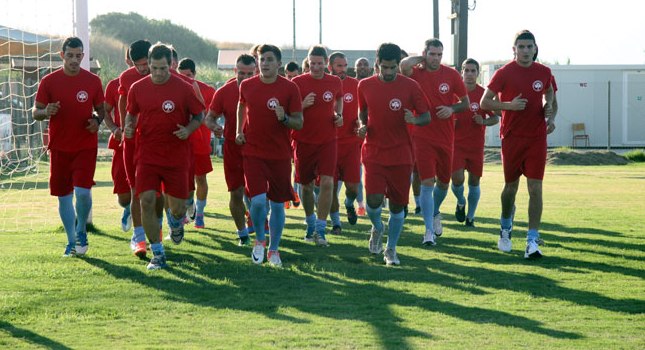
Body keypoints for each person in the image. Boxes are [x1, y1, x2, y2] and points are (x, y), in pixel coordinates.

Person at [124, 43, 205, 270]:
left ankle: (177, 222)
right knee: (146, 201)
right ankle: (158, 254)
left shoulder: (184, 87)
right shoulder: (137, 88)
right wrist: (129, 127)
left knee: (177, 208)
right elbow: (131, 114)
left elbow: (199, 114)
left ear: (171, 65)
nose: (158, 73)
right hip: (147, 154)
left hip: (176, 156)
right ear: (148, 64)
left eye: (163, 68)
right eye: (154, 68)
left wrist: (188, 130)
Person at [480, 30, 555, 259]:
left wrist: (549, 113)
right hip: (512, 138)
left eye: (529, 47)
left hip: (536, 138)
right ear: (514, 50)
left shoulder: (544, 72)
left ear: (535, 48)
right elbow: (485, 102)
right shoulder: (505, 73)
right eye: (520, 47)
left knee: (535, 188)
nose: (525, 51)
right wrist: (510, 106)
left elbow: (550, 94)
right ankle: (505, 226)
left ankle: (532, 240)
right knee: (510, 189)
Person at [357, 42, 431, 265]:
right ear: (377, 63)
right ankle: (378, 227)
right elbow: (363, 111)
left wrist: (414, 119)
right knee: (373, 201)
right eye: (384, 67)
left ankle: (391, 249)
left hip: (401, 155)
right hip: (373, 152)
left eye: (392, 68)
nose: (388, 72)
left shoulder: (410, 86)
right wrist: (363, 125)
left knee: (398, 206)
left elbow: (426, 116)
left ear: (398, 65)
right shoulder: (364, 85)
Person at [32, 37, 106, 257]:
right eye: (70, 55)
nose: (75, 60)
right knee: (64, 196)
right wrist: (47, 112)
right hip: (60, 148)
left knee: (83, 193)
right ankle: (71, 241)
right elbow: (36, 112)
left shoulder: (93, 81)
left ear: (83, 56)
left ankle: (81, 229)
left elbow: (101, 110)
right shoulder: (49, 81)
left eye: (78, 55)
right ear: (62, 55)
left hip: (85, 146)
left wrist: (97, 121)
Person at [236, 44, 303, 267]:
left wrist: (284, 118)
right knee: (256, 202)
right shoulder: (246, 85)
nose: (264, 63)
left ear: (279, 64)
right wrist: (239, 130)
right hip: (253, 152)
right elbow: (241, 106)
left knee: (276, 204)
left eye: (269, 59)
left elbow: (299, 122)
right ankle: (260, 240)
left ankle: (274, 250)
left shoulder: (290, 88)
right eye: (261, 59)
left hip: (280, 154)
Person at [400, 38, 469, 246]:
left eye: (439, 54)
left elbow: (465, 103)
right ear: (425, 53)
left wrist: (451, 109)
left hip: (446, 137)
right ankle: (428, 231)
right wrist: (421, 58)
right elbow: (403, 66)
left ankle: (434, 212)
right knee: (427, 183)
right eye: (432, 54)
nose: (436, 58)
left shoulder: (451, 74)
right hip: (421, 135)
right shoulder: (417, 73)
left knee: (444, 183)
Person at [292, 45, 344, 246]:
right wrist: (302, 105)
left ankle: (321, 230)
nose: (316, 67)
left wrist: (339, 115)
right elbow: (290, 110)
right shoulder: (297, 82)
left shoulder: (334, 81)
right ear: (308, 62)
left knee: (328, 183)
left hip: (328, 140)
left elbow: (339, 100)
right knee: (305, 186)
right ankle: (310, 223)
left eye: (320, 63)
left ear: (326, 63)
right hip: (303, 140)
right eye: (312, 63)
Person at [205, 53, 257, 246]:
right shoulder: (224, 92)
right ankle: (242, 233)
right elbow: (209, 118)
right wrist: (215, 127)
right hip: (233, 148)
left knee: (259, 193)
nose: (245, 77)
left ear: (256, 71)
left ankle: (260, 226)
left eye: (249, 73)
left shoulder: (264, 88)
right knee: (236, 192)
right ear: (235, 71)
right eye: (241, 73)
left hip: (259, 149)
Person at [450, 58, 499, 227]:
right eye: (467, 70)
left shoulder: (483, 94)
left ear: (478, 74)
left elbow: (495, 118)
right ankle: (461, 201)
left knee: (474, 182)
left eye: (473, 71)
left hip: (476, 146)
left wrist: (484, 122)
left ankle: (470, 218)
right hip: (455, 145)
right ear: (461, 72)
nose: (470, 74)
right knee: (456, 179)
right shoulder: (453, 93)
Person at [118, 39, 152, 257]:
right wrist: (125, 128)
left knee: (155, 195)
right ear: (131, 62)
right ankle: (139, 239)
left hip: (155, 143)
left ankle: (159, 228)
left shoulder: (164, 75)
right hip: (132, 141)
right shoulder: (126, 78)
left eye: (146, 63)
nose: (143, 68)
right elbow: (122, 103)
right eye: (138, 64)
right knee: (134, 193)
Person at [178, 57, 216, 229]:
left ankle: (200, 214)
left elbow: (208, 115)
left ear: (194, 74)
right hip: (183, 143)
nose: (185, 79)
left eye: (187, 75)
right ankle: (188, 207)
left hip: (200, 142)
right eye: (181, 75)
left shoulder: (208, 90)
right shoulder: (175, 87)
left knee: (201, 178)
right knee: (184, 180)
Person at [327, 51, 361, 234]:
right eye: (339, 65)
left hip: (351, 144)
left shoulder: (356, 85)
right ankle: (336, 223)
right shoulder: (323, 83)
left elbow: (365, 111)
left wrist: (361, 122)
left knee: (353, 188)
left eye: (345, 65)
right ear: (330, 66)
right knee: (330, 186)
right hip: (329, 144)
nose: (342, 69)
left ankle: (349, 204)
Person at [104, 49, 133, 234]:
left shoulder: (153, 83)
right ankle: (128, 209)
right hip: (121, 144)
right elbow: (104, 111)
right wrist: (115, 128)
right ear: (127, 60)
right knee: (123, 196)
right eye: (133, 60)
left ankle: (147, 234)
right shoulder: (115, 84)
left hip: (145, 144)